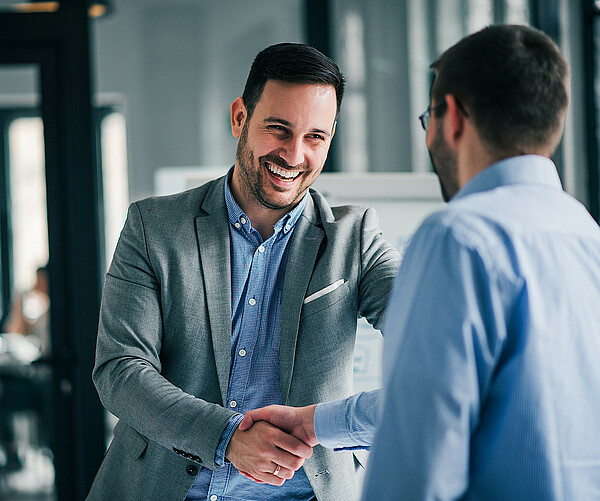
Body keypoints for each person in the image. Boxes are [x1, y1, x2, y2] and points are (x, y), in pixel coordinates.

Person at [239, 25, 600, 500]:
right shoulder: (585, 234)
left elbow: (419, 446)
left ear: (449, 118)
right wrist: (314, 422)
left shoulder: (459, 237)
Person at [86, 42, 400, 501]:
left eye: (316, 137)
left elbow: (436, 342)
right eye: (278, 129)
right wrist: (226, 437)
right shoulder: (153, 227)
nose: (294, 155)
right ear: (240, 118)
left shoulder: (355, 238)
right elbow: (120, 370)